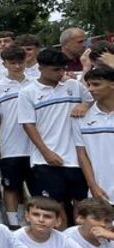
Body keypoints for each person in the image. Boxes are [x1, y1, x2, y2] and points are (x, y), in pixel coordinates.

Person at [18, 49, 92, 227]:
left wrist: (84, 105)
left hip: (76, 158)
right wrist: (46, 152)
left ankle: (79, 245)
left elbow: (91, 99)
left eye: (63, 69)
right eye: (56, 70)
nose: (61, 73)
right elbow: (28, 124)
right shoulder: (28, 92)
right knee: (54, 207)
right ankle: (63, 246)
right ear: (41, 68)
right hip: (46, 160)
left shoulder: (74, 86)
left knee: (80, 203)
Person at [0, 46, 34, 228]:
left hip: (34, 148)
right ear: (4, 64)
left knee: (34, 189)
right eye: (12, 63)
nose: (17, 66)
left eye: (20, 62)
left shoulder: (34, 83)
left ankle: (31, 221)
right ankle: (14, 224)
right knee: (11, 187)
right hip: (10, 146)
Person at [76, 65, 114, 205]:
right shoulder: (79, 116)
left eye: (96, 84)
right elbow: (82, 155)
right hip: (100, 193)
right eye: (89, 85)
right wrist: (93, 186)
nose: (91, 89)